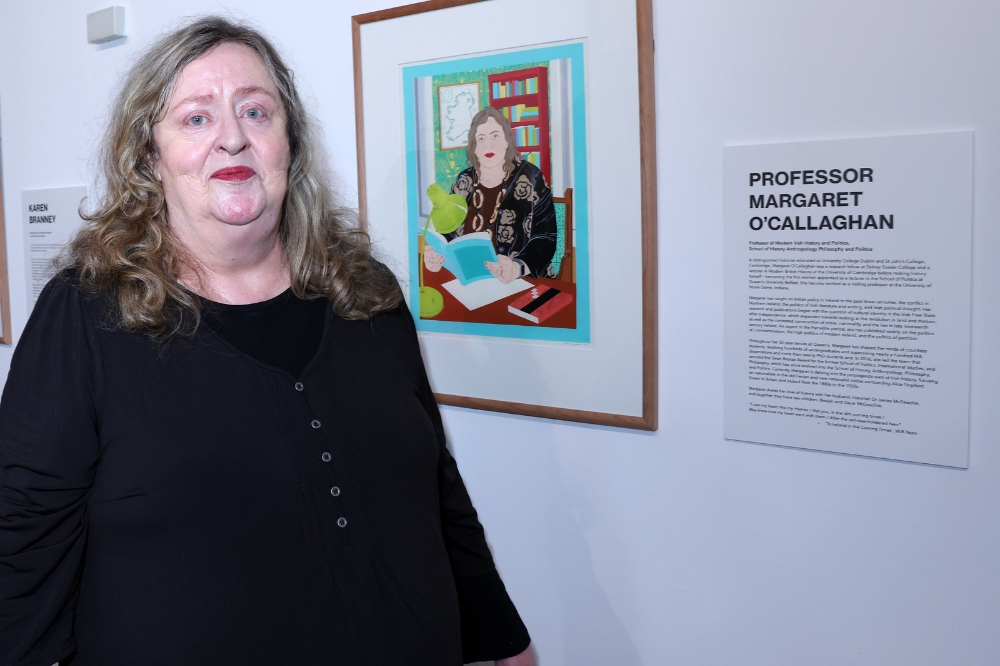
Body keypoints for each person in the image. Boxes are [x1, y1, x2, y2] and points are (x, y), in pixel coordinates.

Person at [0, 17, 535, 666]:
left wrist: (501, 638)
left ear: (289, 142)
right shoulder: (85, 315)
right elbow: (21, 540)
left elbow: (434, 483)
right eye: (195, 119)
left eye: (256, 112)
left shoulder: (366, 293)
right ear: (149, 156)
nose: (231, 138)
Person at [424, 106, 557, 284]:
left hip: (521, 282)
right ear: (474, 148)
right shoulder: (465, 180)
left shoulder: (531, 177)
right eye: (481, 138)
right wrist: (437, 256)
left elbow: (545, 237)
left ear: (507, 141)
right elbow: (448, 232)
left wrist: (517, 267)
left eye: (495, 136)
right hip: (472, 282)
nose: (488, 144)